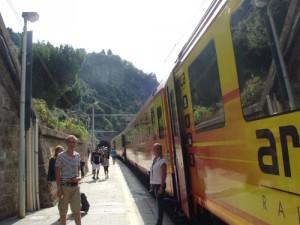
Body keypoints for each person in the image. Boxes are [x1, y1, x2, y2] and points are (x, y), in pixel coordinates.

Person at [55, 135, 81, 225]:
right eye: (70, 142)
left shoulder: (78, 155)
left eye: (73, 142)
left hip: (75, 188)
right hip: (64, 187)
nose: (72, 144)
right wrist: (58, 188)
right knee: (63, 213)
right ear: (66, 143)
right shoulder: (60, 156)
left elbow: (78, 171)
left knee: (77, 211)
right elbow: (57, 173)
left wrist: (78, 178)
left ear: (76, 144)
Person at [150, 143, 167, 225]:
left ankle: (159, 223)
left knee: (160, 206)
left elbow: (164, 175)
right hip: (155, 185)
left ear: (160, 150)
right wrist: (152, 184)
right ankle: (174, 202)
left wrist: (161, 187)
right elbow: (153, 173)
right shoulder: (155, 160)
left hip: (160, 185)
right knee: (160, 203)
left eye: (157, 149)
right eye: (154, 149)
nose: (155, 150)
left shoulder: (162, 161)